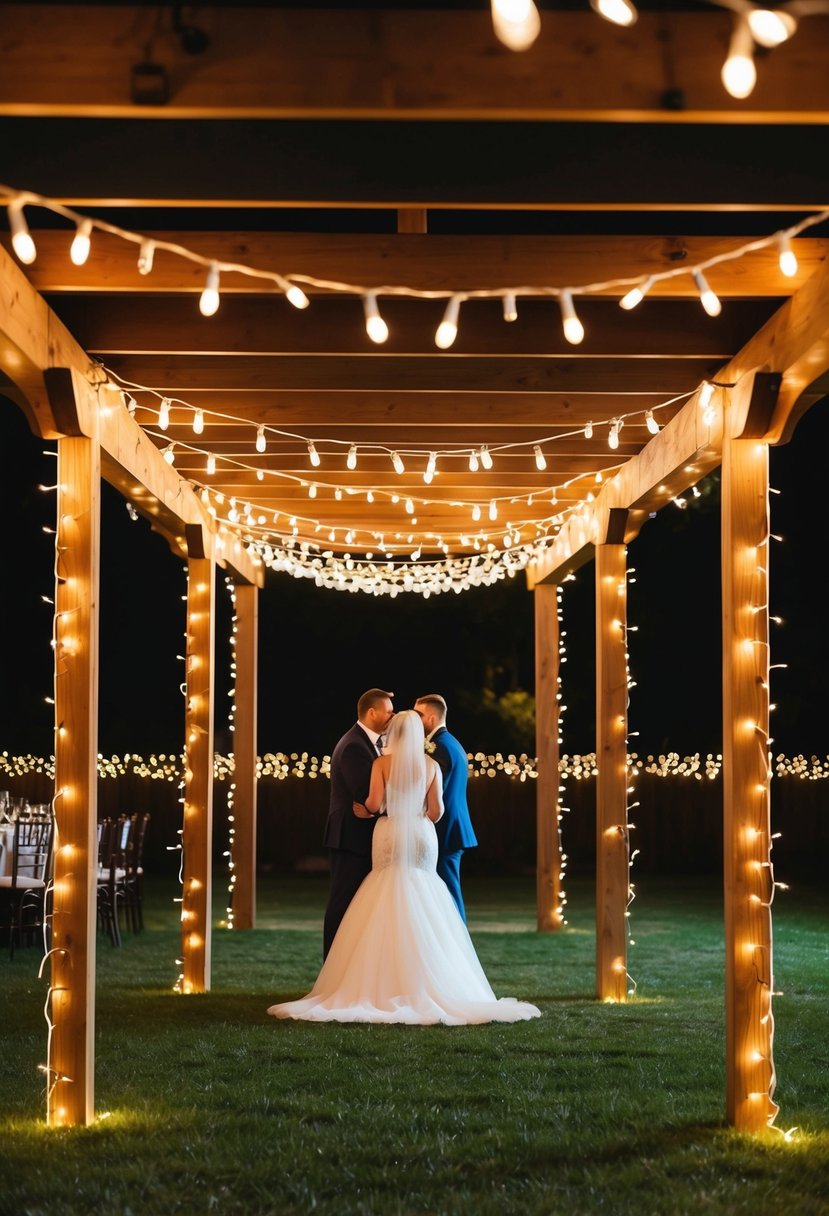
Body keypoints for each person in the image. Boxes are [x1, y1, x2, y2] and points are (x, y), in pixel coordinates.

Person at [268, 710, 540, 1025]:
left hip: (391, 829)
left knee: (385, 886)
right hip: (422, 834)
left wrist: (368, 809)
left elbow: (373, 802)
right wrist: (420, 810)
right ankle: (435, 979)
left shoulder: (381, 764)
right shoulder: (432, 766)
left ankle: (382, 981)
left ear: (393, 735)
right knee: (425, 888)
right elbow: (437, 812)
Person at [321, 687, 395, 959]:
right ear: (372, 712)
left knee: (357, 905)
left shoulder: (368, 743)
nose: (392, 715)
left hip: (359, 833)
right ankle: (332, 965)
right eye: (388, 711)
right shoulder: (354, 745)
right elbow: (364, 793)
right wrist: (386, 808)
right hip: (350, 835)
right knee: (343, 902)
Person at [413, 693, 477, 922]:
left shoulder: (439, 748)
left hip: (446, 829)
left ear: (430, 717)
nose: (414, 719)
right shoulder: (451, 743)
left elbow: (431, 792)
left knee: (448, 891)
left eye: (418, 714)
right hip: (451, 826)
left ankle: (458, 946)